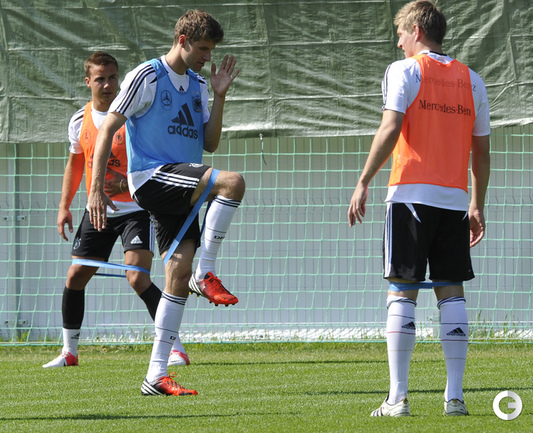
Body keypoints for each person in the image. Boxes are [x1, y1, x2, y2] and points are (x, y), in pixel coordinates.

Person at [87, 10, 245, 396]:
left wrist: (219, 95)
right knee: (233, 183)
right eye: (203, 48)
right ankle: (206, 273)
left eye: (211, 50)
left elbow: (210, 143)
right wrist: (94, 188)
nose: (207, 56)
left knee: (175, 275)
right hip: (152, 177)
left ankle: (156, 375)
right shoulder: (148, 75)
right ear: (182, 40)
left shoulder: (197, 84)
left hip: (182, 183)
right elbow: (107, 128)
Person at [347, 0, 490, 417]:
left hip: (410, 195)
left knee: (401, 291)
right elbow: (482, 151)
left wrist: (363, 180)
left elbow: (391, 127)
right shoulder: (473, 80)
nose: (398, 43)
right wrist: (476, 204)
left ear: (416, 30)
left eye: (400, 34)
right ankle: (455, 398)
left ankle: (397, 398)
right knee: (452, 291)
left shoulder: (404, 70)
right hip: (454, 201)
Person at [44, 52, 189, 369]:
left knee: (137, 277)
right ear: (88, 82)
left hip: (136, 210)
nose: (108, 84)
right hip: (97, 211)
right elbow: (76, 164)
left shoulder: (134, 116)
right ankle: (69, 352)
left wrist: (124, 184)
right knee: (76, 275)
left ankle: (175, 348)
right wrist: (64, 207)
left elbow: (151, 161)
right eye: (101, 79)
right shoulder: (79, 120)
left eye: (113, 77)